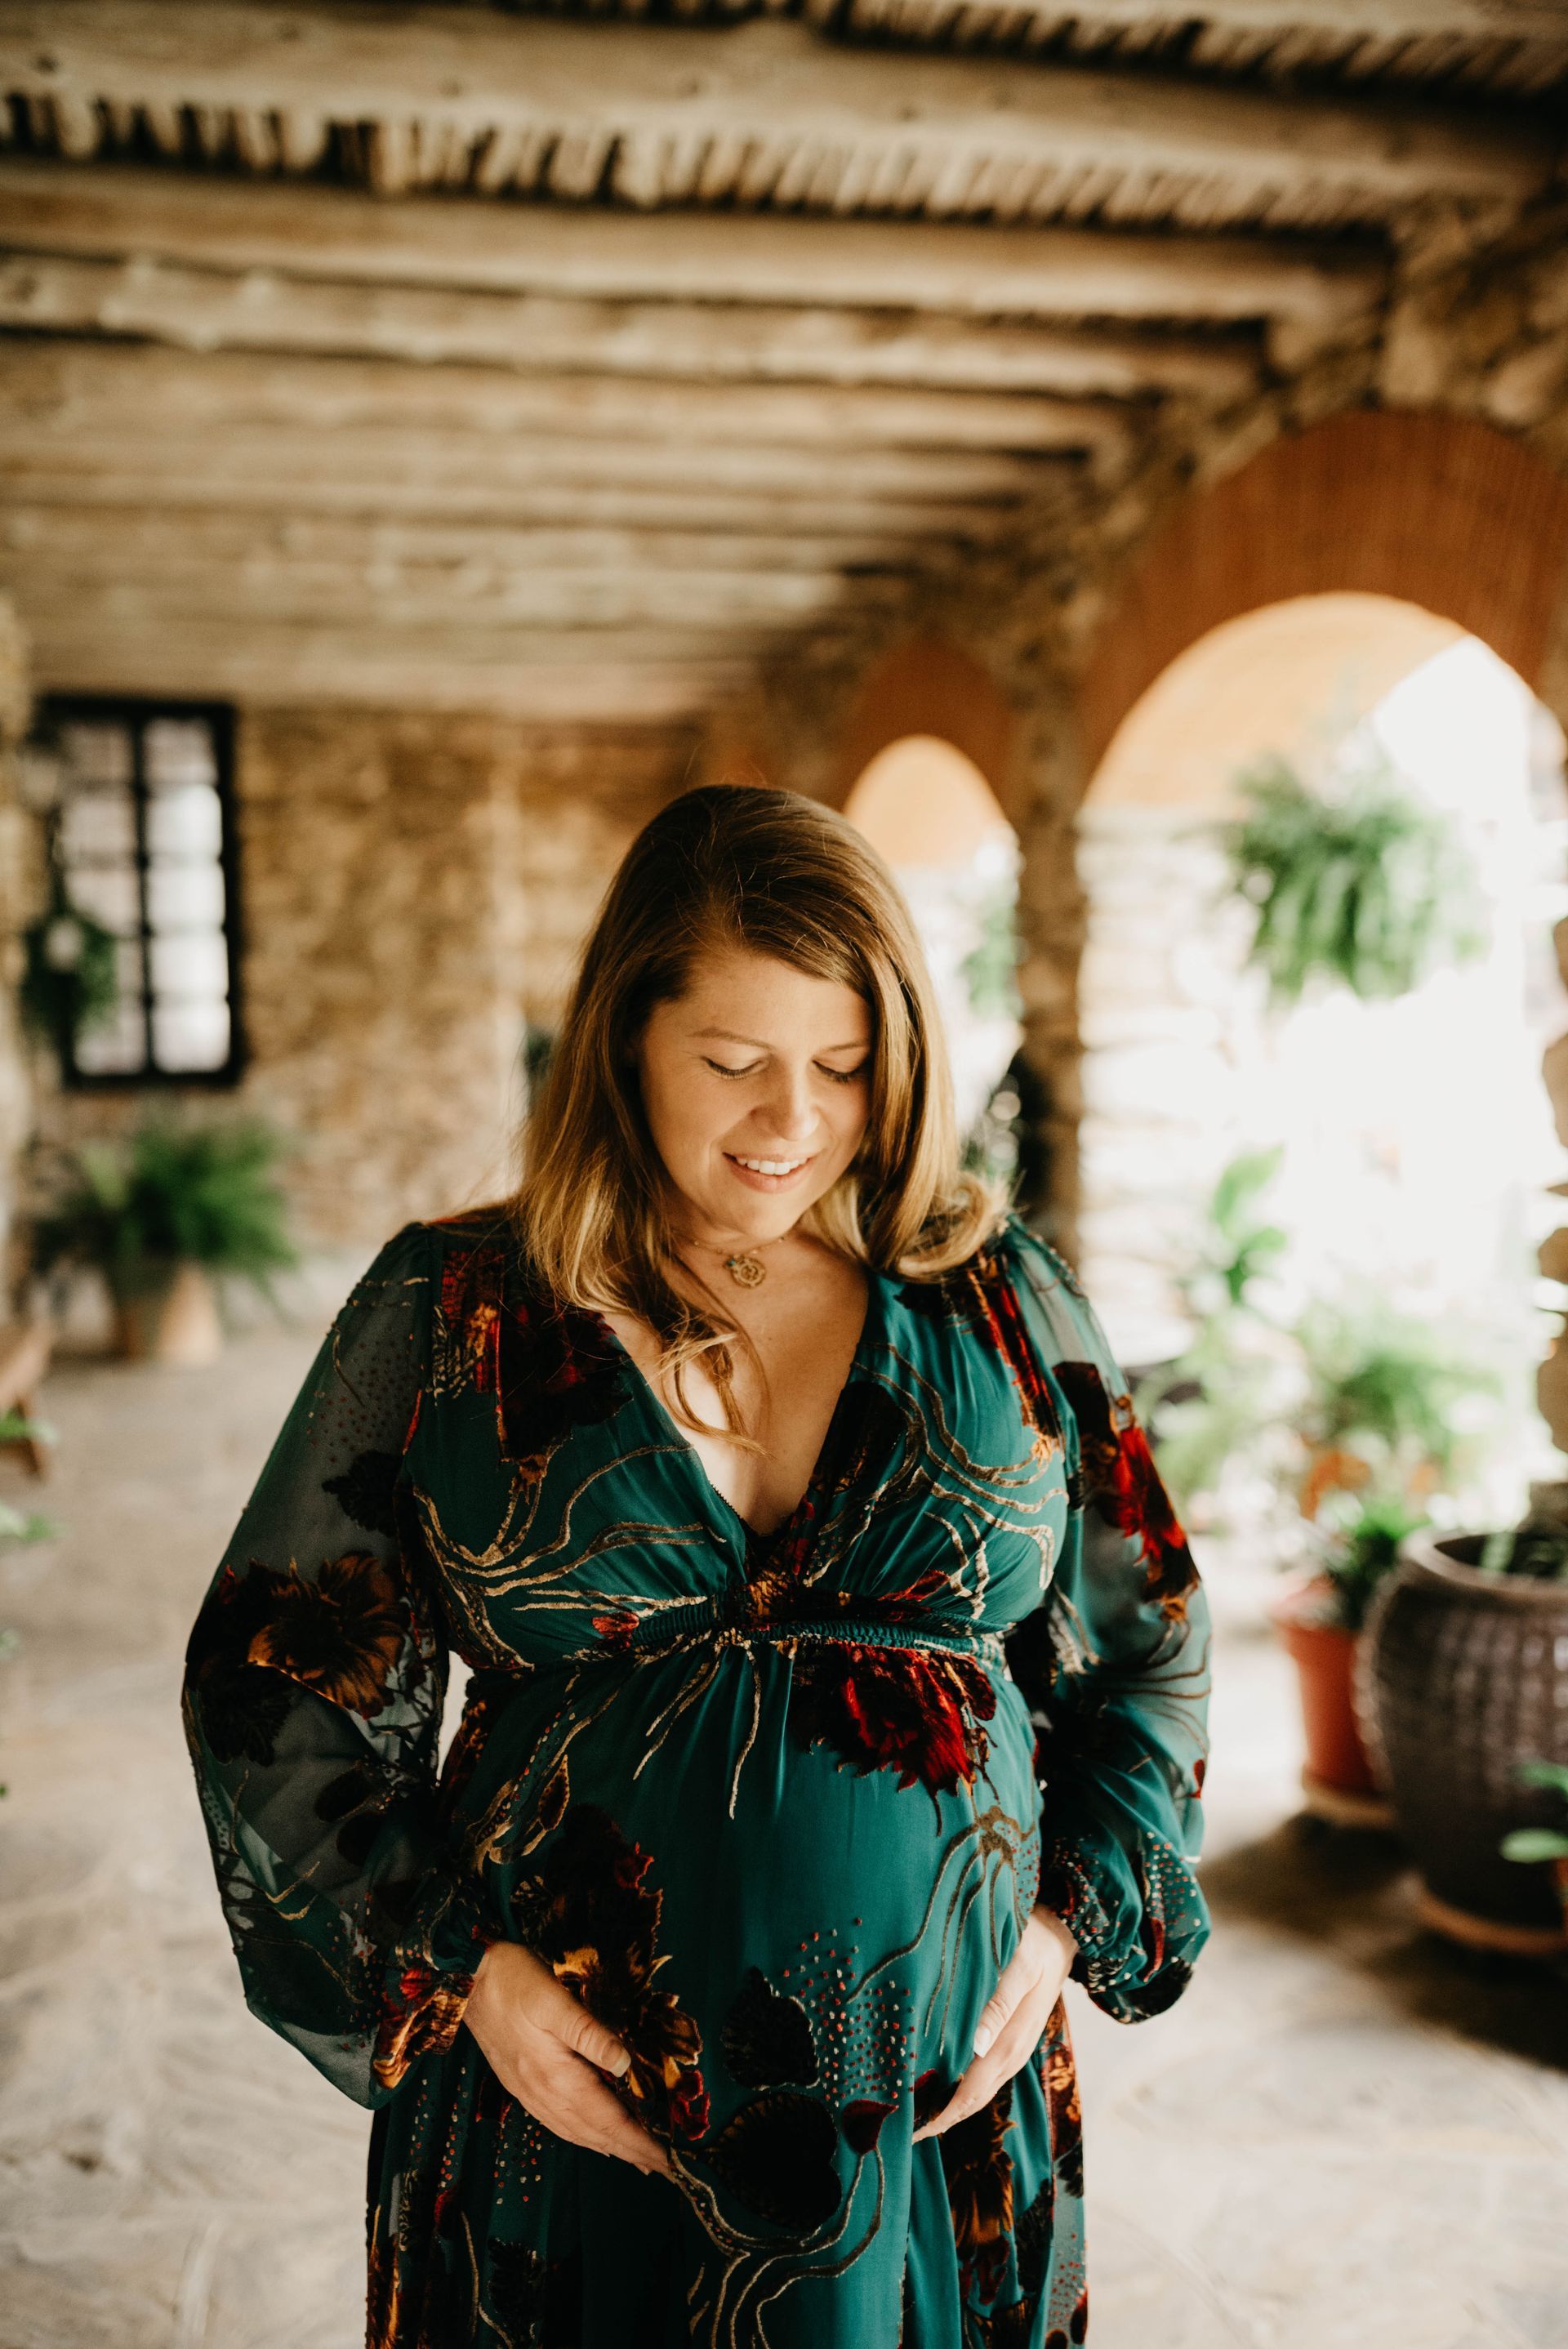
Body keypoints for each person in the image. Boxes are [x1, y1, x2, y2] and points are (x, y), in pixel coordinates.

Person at [181, 782, 1210, 2349]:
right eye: (732, 1063)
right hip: (567, 2119)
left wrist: (1067, 1918)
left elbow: (1150, 1648)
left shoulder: (1001, 1297)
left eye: (845, 1066)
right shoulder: (456, 1307)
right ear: (625, 1041)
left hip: (931, 2132)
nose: (791, 1120)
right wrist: (470, 1979)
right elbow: (271, 1684)